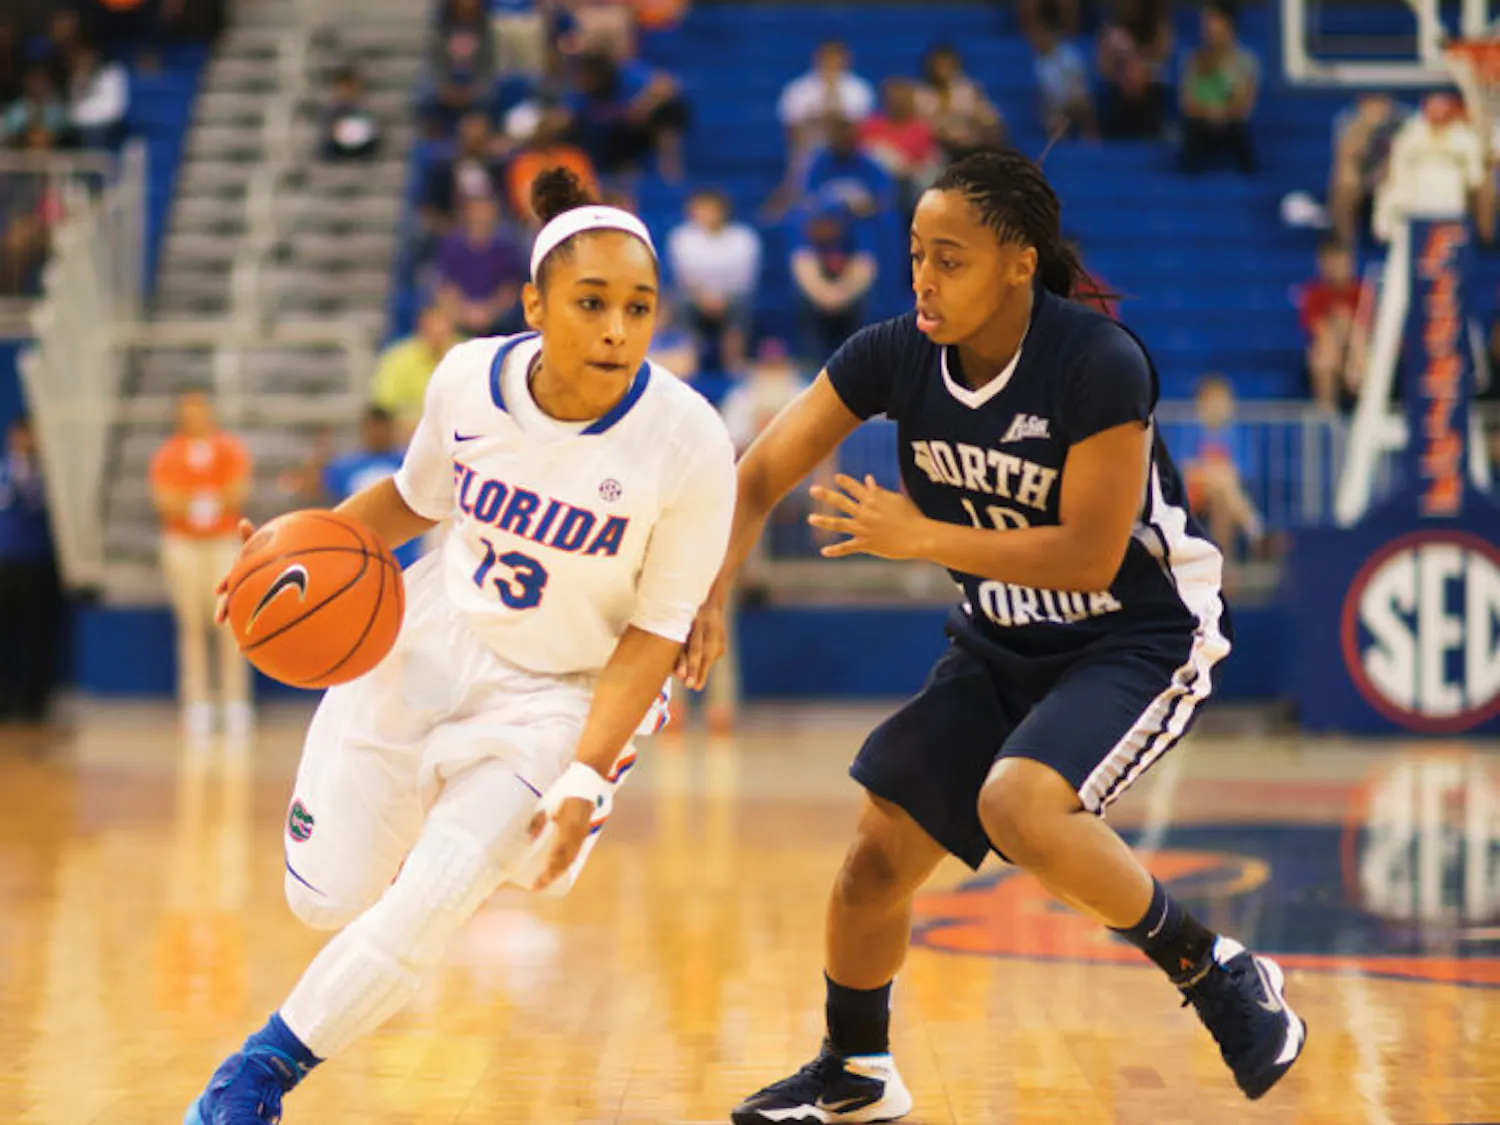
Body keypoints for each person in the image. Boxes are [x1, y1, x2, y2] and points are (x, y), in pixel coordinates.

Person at [675, 148, 1307, 1123]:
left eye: (951, 258)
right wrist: (709, 592)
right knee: (877, 852)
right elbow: (755, 475)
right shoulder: (892, 354)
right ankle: (857, 1072)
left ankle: (1216, 968)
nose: (924, 278)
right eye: (917, 255)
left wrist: (918, 533)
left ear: (1020, 260)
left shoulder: (1097, 361)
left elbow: (1094, 555)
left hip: (1137, 634)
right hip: (1000, 638)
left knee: (1020, 806)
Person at [182, 167, 737, 1125]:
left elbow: (654, 638)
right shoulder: (466, 381)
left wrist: (585, 778)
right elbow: (409, 502)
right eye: (592, 302)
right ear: (534, 304)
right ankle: (432, 845)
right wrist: (287, 552)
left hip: (563, 693)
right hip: (434, 635)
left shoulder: (687, 440)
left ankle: (253, 1079)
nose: (617, 328)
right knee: (323, 898)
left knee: (436, 897)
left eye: (639, 307)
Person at [149, 391, 254, 738]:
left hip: (222, 541)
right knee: (191, 623)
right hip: (183, 543)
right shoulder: (168, 454)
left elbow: (237, 492)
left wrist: (196, 498)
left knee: (229, 623)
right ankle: (197, 703)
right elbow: (165, 500)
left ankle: (235, 702)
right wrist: (207, 498)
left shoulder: (229, 449)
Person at [0, 415, 61, 721]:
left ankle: (33, 700)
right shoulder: (4, 473)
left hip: (36, 564)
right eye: (21, 435)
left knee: (35, 635)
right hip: (5, 564)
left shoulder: (47, 476)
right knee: (5, 635)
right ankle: (5, 698)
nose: (25, 442)